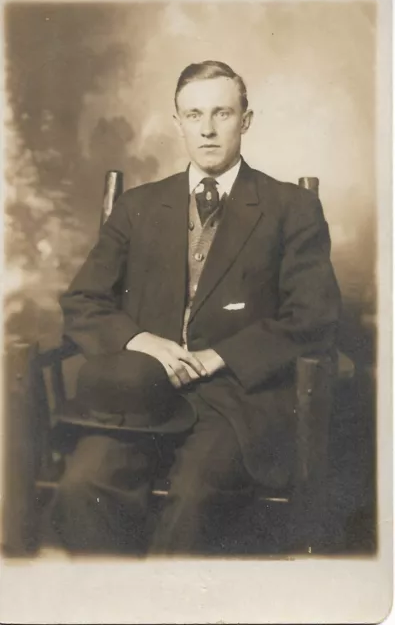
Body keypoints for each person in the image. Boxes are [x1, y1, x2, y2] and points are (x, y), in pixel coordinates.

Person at [51, 60, 341, 555]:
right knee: (83, 485)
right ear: (177, 122)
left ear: (245, 120)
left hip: (236, 402)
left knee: (193, 498)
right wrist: (141, 341)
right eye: (194, 114)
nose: (207, 129)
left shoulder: (290, 207)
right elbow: (83, 300)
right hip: (139, 398)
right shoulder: (139, 206)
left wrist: (218, 355)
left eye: (222, 113)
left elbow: (313, 316)